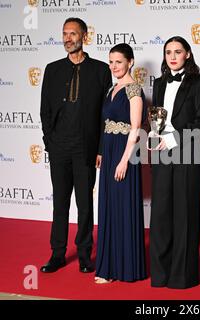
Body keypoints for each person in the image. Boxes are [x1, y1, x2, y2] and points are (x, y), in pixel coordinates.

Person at [40, 17, 112, 273]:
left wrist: (101, 148)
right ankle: (57, 254)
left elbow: (107, 114)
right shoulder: (52, 69)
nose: (68, 38)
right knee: (59, 203)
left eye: (73, 33)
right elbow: (45, 110)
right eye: (64, 34)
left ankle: (84, 254)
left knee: (84, 203)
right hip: (59, 147)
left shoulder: (101, 70)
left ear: (84, 36)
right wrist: (50, 141)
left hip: (86, 148)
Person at [149, 36, 200, 289]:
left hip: (188, 152)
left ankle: (181, 277)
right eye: (168, 52)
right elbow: (158, 117)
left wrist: (174, 138)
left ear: (187, 54)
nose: (172, 56)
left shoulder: (199, 82)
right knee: (161, 214)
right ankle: (160, 275)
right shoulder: (159, 82)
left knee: (184, 215)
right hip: (162, 153)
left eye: (177, 51)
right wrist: (154, 133)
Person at [94, 43, 147, 284]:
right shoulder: (110, 89)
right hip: (109, 152)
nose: (114, 66)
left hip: (125, 154)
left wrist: (124, 161)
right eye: (111, 61)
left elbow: (135, 129)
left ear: (130, 62)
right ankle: (107, 267)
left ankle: (125, 268)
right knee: (108, 208)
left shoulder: (134, 90)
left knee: (123, 208)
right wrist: (103, 153)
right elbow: (106, 124)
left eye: (118, 61)